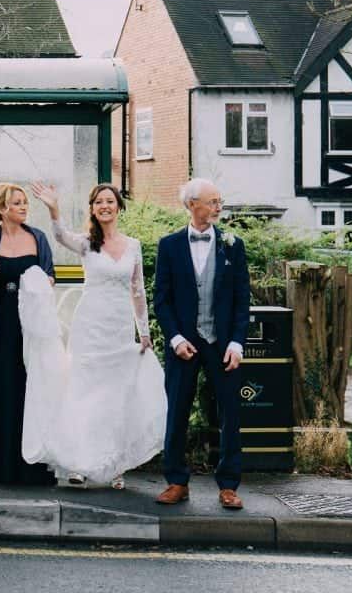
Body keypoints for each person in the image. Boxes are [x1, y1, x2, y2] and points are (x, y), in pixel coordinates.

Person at [25, 182, 166, 488]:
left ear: (118, 207)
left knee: (115, 398)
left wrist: (144, 331)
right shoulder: (87, 243)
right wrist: (53, 209)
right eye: (99, 202)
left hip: (118, 329)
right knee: (83, 392)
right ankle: (77, 462)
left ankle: (114, 465)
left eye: (110, 201)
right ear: (92, 208)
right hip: (89, 326)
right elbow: (60, 236)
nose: (105, 206)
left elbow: (138, 290)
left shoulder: (133, 245)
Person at [153, 178, 251, 510]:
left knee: (229, 414)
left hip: (221, 343)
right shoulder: (169, 245)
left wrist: (237, 343)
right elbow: (161, 300)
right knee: (177, 411)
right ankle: (177, 481)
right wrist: (175, 338)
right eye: (212, 202)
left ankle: (228, 485)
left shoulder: (232, 245)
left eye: (220, 202)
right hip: (184, 343)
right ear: (192, 204)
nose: (218, 208)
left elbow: (242, 299)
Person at [0, 182, 56, 485]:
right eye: (16, 203)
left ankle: (28, 465)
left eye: (24, 202)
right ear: (2, 209)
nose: (23, 207)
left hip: (29, 326)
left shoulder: (38, 239)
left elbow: (50, 278)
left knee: (28, 390)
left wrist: (41, 285)